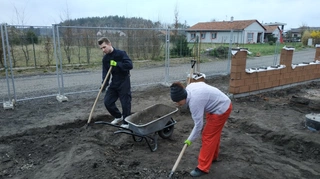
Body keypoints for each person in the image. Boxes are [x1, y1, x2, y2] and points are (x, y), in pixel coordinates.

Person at [170, 81, 232, 177]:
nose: (178, 104)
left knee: (207, 136)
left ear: (183, 97)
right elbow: (202, 84)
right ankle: (213, 157)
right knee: (213, 134)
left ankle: (203, 168)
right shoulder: (190, 87)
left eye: (178, 102)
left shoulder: (195, 103)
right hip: (214, 104)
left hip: (221, 108)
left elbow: (198, 126)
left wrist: (189, 140)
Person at [98, 37, 133, 128]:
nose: (103, 50)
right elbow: (105, 73)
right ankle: (118, 116)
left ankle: (126, 122)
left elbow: (130, 65)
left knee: (125, 102)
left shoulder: (121, 54)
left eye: (104, 47)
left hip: (124, 80)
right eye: (101, 48)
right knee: (107, 102)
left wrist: (117, 64)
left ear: (109, 44)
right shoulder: (105, 59)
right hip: (115, 82)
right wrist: (104, 85)